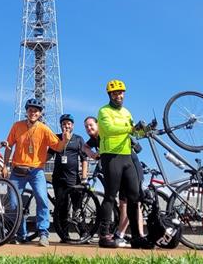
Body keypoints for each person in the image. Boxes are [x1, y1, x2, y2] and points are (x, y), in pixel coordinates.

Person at [4, 98, 71, 247]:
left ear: (40, 113)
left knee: (42, 199)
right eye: (30, 110)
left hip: (36, 170)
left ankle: (43, 234)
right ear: (26, 111)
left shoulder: (44, 129)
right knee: (14, 204)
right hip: (17, 170)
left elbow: (58, 147)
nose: (33, 112)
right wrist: (5, 165)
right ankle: (21, 234)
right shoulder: (17, 126)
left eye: (36, 110)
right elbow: (8, 146)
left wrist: (65, 141)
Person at [96, 79, 150, 249]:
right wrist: (131, 129)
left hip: (127, 156)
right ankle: (104, 236)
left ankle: (136, 237)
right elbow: (108, 129)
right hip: (111, 156)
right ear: (110, 95)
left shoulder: (127, 112)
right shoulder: (103, 111)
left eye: (121, 92)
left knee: (134, 197)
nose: (118, 95)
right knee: (111, 195)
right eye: (115, 93)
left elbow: (135, 133)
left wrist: (145, 130)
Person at [83, 116, 145, 248]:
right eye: (86, 126)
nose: (89, 128)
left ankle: (139, 235)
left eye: (91, 125)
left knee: (134, 202)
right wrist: (92, 154)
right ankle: (121, 235)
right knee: (123, 204)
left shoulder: (107, 132)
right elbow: (85, 147)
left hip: (131, 166)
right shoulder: (95, 139)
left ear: (98, 124)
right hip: (118, 170)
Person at [48, 114, 88, 242]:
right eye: (64, 123)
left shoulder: (78, 139)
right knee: (62, 207)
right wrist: (36, 164)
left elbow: (84, 159)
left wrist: (84, 177)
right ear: (61, 125)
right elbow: (48, 155)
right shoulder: (56, 138)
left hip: (73, 179)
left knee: (78, 207)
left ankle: (84, 233)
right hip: (59, 179)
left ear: (73, 125)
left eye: (69, 123)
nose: (66, 125)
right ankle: (64, 236)